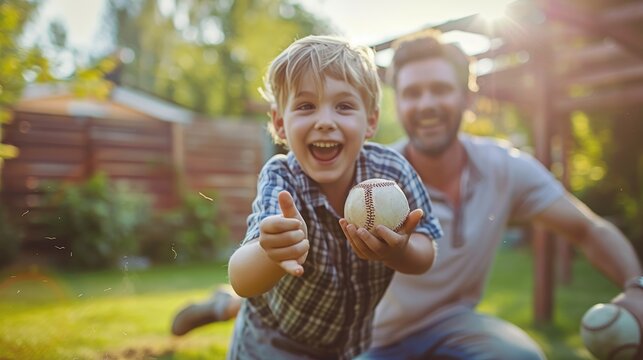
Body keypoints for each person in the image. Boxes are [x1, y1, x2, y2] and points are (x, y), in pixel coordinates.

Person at [172, 31, 643, 359]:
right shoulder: (317, 174)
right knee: (278, 297)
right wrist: (270, 253)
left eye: (440, 89)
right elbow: (254, 269)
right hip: (346, 339)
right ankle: (220, 305)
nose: (426, 105)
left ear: (467, 96)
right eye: (413, 92)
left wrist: (639, 290)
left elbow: (588, 226)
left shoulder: (480, 169)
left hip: (409, 331)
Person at [223, 34, 441, 360]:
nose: (325, 122)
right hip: (272, 343)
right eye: (306, 106)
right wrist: (272, 252)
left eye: (344, 106)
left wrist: (398, 252)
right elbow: (241, 279)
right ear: (280, 123)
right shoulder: (282, 178)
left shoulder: (391, 170)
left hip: (349, 346)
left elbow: (427, 251)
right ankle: (219, 305)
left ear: (371, 121)